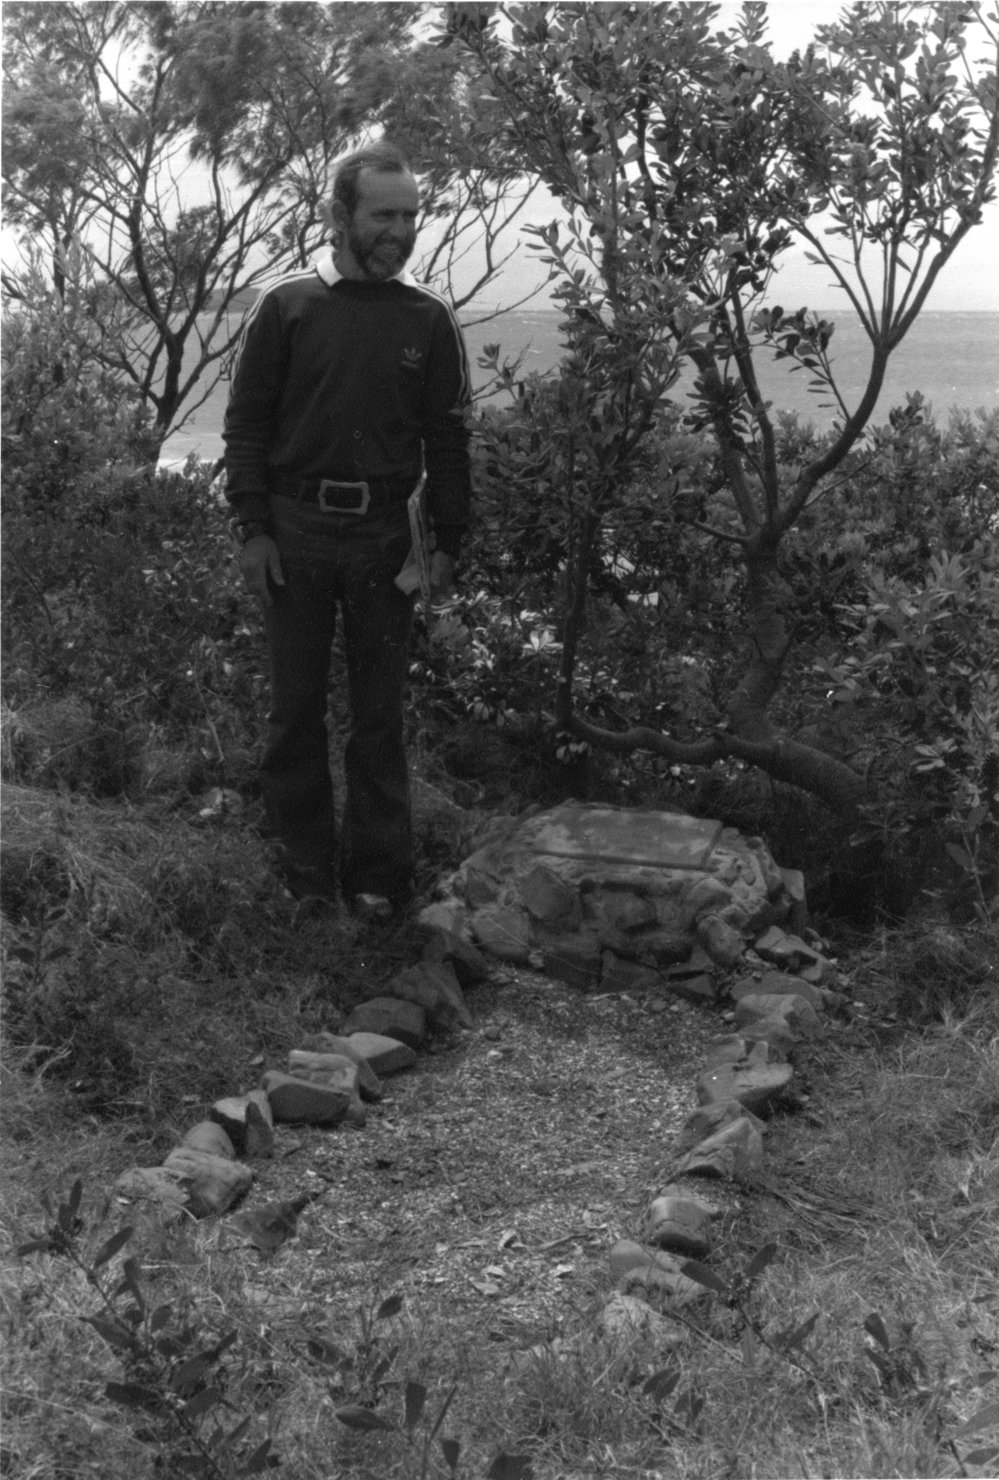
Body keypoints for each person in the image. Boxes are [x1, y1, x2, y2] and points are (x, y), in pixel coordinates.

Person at [223, 142, 472, 917]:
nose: (399, 229)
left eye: (409, 215)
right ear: (338, 216)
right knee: (294, 711)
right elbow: (245, 425)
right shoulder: (286, 305)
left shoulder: (427, 317)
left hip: (385, 541)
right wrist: (253, 528)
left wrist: (446, 546)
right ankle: (300, 878)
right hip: (293, 531)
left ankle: (377, 882)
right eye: (382, 214)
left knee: (378, 719)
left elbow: (449, 438)